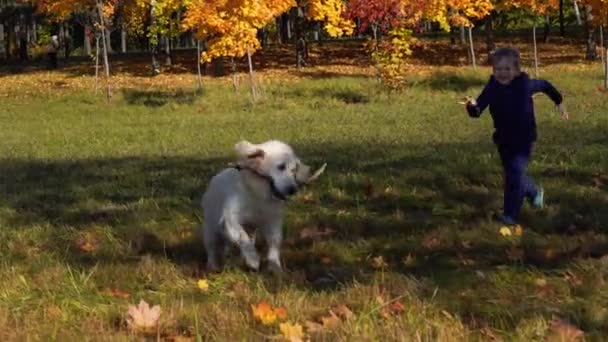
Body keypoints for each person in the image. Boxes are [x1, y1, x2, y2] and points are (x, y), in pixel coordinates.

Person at [465, 47, 568, 226]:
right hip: (503, 139)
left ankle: (510, 216)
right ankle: (534, 192)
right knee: (514, 174)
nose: (502, 73)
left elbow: (545, 85)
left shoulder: (524, 84)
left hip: (525, 138)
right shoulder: (492, 87)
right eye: (498, 70)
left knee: (514, 174)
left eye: (507, 69)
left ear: (516, 70)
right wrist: (472, 107)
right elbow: (478, 109)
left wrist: (558, 101)